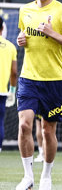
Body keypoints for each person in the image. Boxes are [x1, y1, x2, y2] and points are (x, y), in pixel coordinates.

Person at [14, 0, 62, 190]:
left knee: (47, 131)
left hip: (54, 81)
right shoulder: (25, 10)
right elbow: (24, 36)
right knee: (24, 124)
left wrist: (52, 33)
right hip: (28, 78)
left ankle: (46, 175)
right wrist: (20, 40)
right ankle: (27, 176)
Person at [0, 16, 18, 152]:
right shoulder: (11, 47)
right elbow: (14, 72)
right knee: (0, 121)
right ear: (2, 28)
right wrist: (12, 90)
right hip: (2, 91)